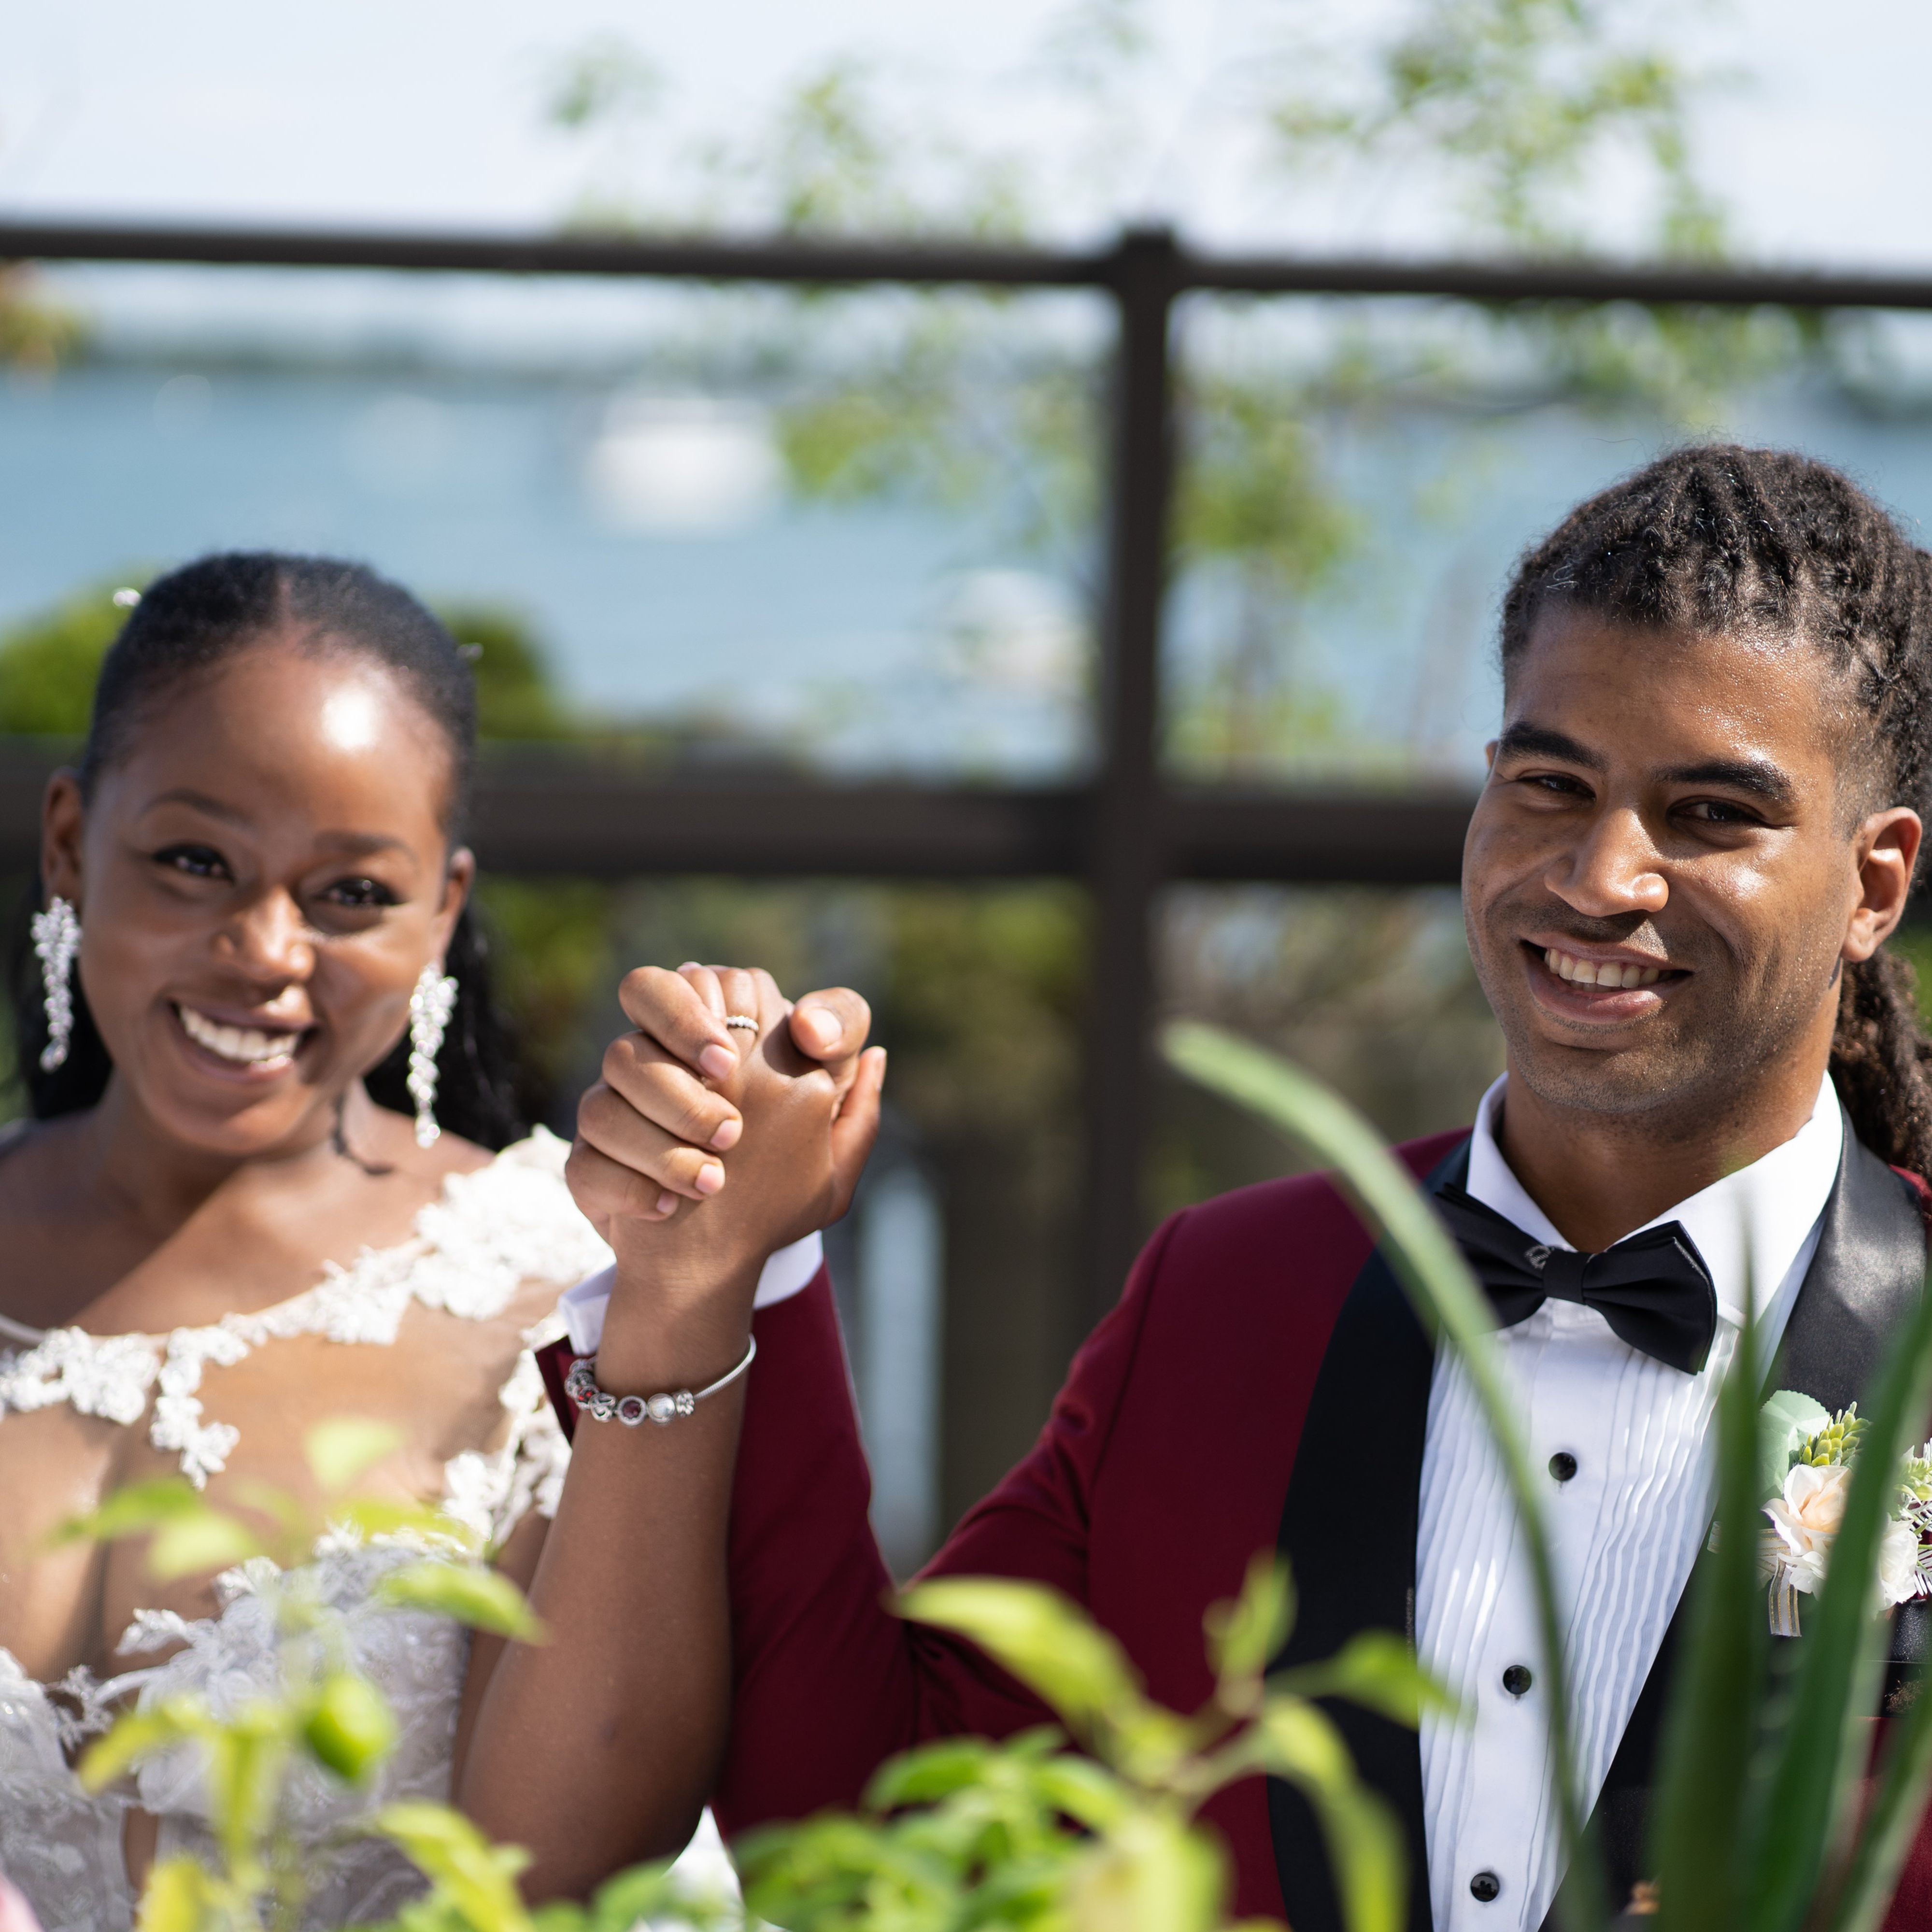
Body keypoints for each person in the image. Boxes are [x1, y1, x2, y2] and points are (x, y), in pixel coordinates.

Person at [462, 444, 1932, 1931]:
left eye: (1711, 816)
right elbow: (880, 1812)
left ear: (1874, 883)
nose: (1602, 874)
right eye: (1552, 783)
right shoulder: (1228, 1297)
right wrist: (732, 1267)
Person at [0, 554, 631, 1932]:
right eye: (193, 862)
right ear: (67, 845)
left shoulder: (564, 1292)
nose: (265, 947)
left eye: (349, 894)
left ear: (443, 914)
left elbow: (582, 1874)